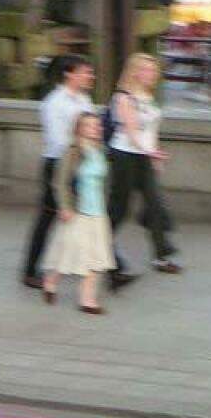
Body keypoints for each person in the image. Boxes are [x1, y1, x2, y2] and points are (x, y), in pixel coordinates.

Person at [22, 55, 131, 289]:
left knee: (90, 214)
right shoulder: (54, 102)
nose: (90, 76)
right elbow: (59, 139)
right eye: (85, 72)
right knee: (51, 218)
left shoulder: (84, 100)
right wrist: (83, 147)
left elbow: (92, 129)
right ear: (69, 74)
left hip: (84, 162)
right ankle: (31, 270)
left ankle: (114, 269)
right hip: (60, 164)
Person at [108, 53, 181, 274]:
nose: (153, 75)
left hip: (144, 155)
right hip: (124, 155)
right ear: (135, 72)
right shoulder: (124, 97)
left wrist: (153, 154)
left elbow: (151, 129)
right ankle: (96, 245)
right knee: (120, 209)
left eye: (154, 70)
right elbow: (131, 132)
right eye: (148, 70)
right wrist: (150, 152)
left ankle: (161, 255)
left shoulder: (148, 96)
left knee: (155, 204)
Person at [40, 112, 115, 314]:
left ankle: (88, 299)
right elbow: (60, 182)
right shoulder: (72, 153)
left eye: (97, 125)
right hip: (78, 211)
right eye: (90, 125)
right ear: (80, 128)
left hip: (98, 212)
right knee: (69, 251)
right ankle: (51, 280)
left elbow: (105, 183)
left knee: (95, 256)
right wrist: (65, 206)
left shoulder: (101, 152)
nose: (96, 129)